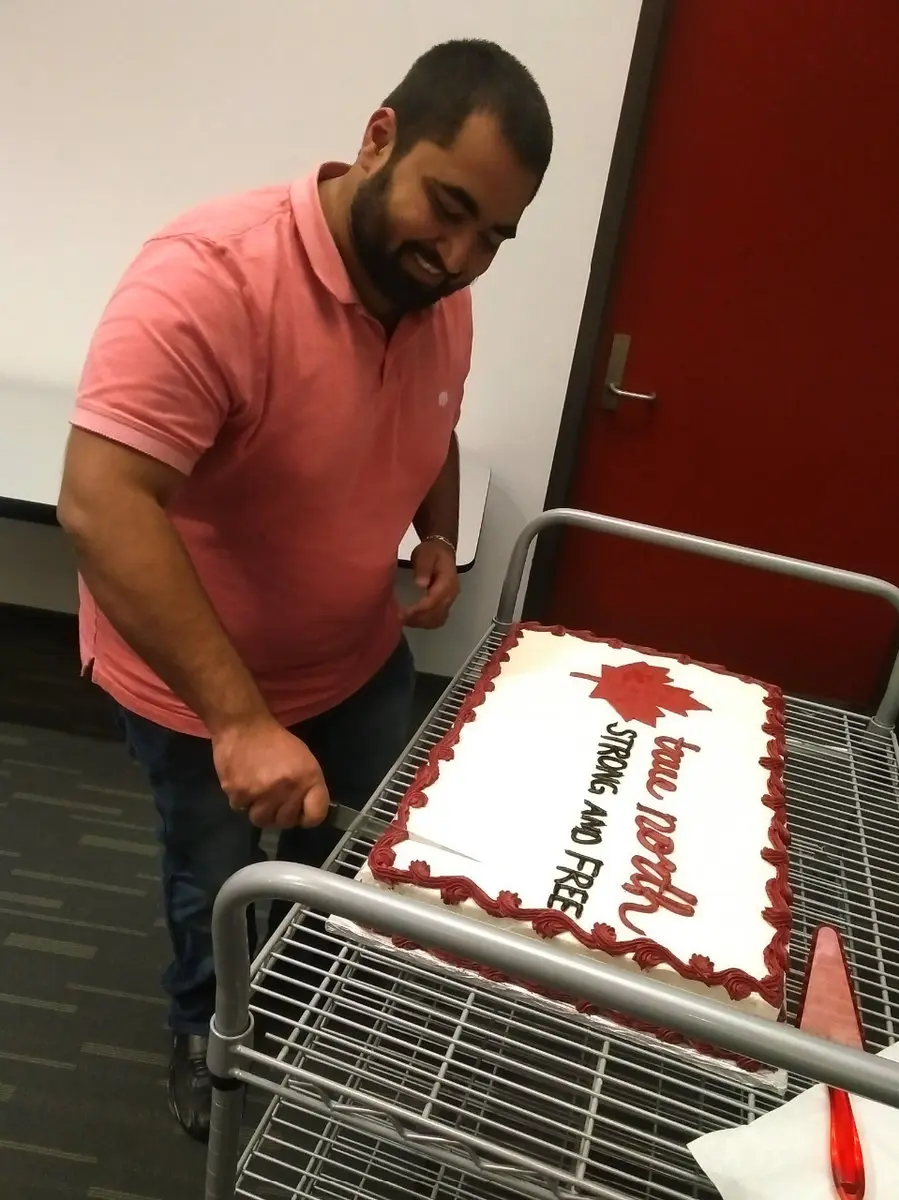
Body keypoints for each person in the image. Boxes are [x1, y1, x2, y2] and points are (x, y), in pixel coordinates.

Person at [57, 37, 552, 1141]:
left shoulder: (437, 287)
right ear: (378, 137)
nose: (464, 254)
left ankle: (311, 1007)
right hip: (204, 696)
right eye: (451, 206)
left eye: (495, 237)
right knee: (215, 882)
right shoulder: (211, 275)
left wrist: (433, 525)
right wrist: (238, 723)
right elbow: (100, 502)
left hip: (356, 656)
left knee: (356, 858)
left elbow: (433, 411)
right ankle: (202, 1026)